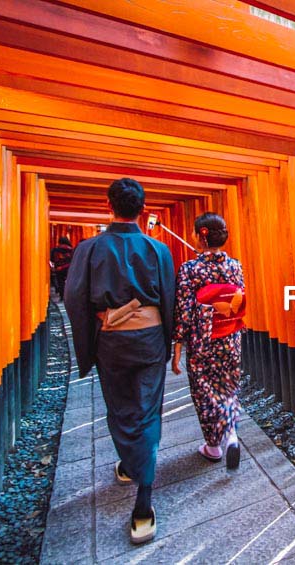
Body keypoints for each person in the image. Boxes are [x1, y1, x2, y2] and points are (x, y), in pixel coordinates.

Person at [64, 178, 175, 544]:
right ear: (143, 210)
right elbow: (169, 301)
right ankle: (142, 502)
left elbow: (75, 299)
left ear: (107, 205)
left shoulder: (89, 249)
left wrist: (87, 345)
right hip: (149, 340)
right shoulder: (157, 250)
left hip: (111, 339)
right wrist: (170, 344)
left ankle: (133, 469)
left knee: (121, 408)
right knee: (147, 410)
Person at [172, 212, 245, 469]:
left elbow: (183, 309)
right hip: (230, 336)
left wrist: (177, 346)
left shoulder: (190, 269)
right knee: (227, 387)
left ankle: (213, 446)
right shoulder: (235, 266)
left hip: (202, 339)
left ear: (200, 236)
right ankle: (231, 434)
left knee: (204, 391)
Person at [50, 236, 74, 301]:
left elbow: (51, 260)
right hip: (69, 268)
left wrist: (55, 267)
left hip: (59, 269)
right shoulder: (71, 250)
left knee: (60, 283)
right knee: (70, 282)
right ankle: (70, 295)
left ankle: (62, 296)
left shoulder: (55, 250)